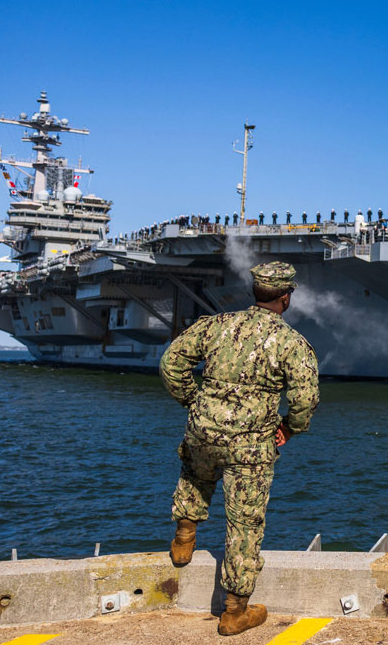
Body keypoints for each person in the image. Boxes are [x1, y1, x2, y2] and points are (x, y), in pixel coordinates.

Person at [162, 262, 320, 637]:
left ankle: (184, 537)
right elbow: (306, 398)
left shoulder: (216, 325)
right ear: (286, 296)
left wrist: (195, 401)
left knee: (195, 473)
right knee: (244, 523)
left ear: (255, 292)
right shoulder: (291, 342)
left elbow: (172, 362)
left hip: (204, 427)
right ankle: (234, 612)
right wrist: (288, 429)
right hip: (251, 443)